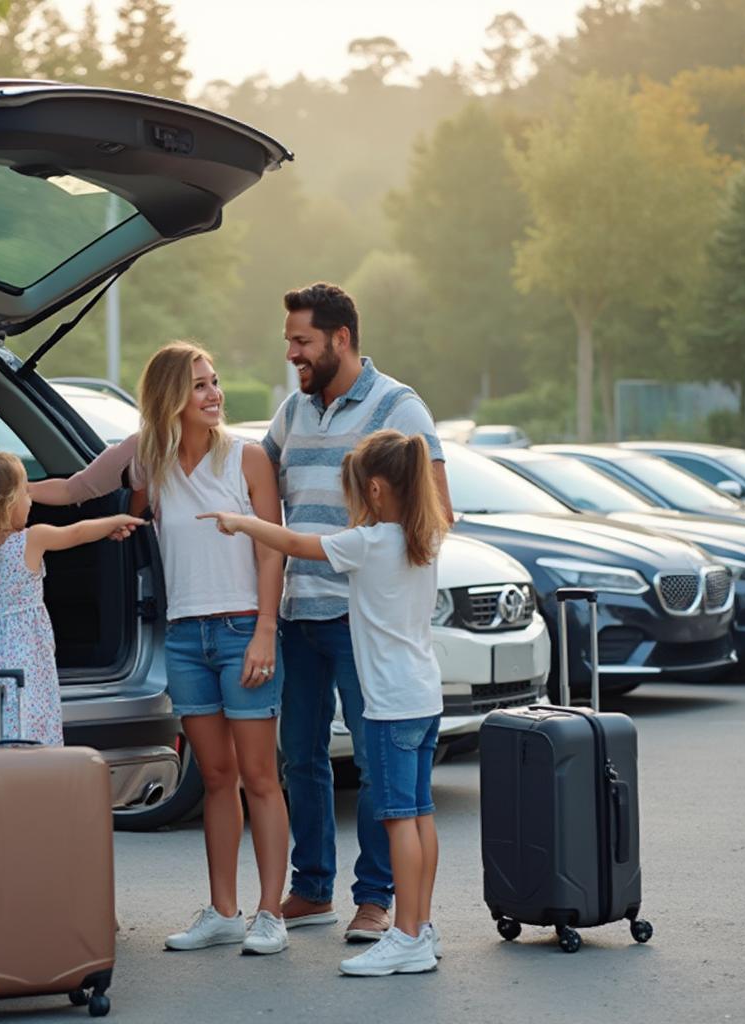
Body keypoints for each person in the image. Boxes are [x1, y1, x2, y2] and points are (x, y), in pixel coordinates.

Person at [27, 342, 290, 956]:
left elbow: (271, 548)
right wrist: (1, 483)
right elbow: (74, 490)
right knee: (217, 778)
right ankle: (224, 911)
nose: (214, 394)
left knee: (259, 778)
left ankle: (270, 913)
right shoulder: (147, 459)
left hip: (240, 630)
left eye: (215, 382)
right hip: (185, 637)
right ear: (171, 395)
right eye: (200, 385)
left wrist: (265, 633)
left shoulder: (247, 458)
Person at [200, 427, 449, 977]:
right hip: (424, 697)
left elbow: (296, 545)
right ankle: (422, 928)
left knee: (398, 819)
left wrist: (241, 521)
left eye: (356, 492)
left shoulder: (370, 542)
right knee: (421, 814)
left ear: (378, 490)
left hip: (388, 705)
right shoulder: (423, 538)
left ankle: (405, 935)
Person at [260, 282, 454, 943]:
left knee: (377, 764)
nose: (292, 353)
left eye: (302, 341)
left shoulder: (400, 407)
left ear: (341, 338)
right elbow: (255, 485)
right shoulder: (290, 413)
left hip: (358, 620)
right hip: (299, 612)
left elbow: (437, 512)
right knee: (303, 759)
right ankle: (311, 890)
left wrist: (377, 558)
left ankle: (375, 900)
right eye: (290, 341)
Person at [0, 450, 143, 747]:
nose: (30, 500)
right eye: (25, 492)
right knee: (31, 741)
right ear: (5, 503)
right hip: (27, 665)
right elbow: (78, 532)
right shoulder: (32, 539)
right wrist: (114, 521)